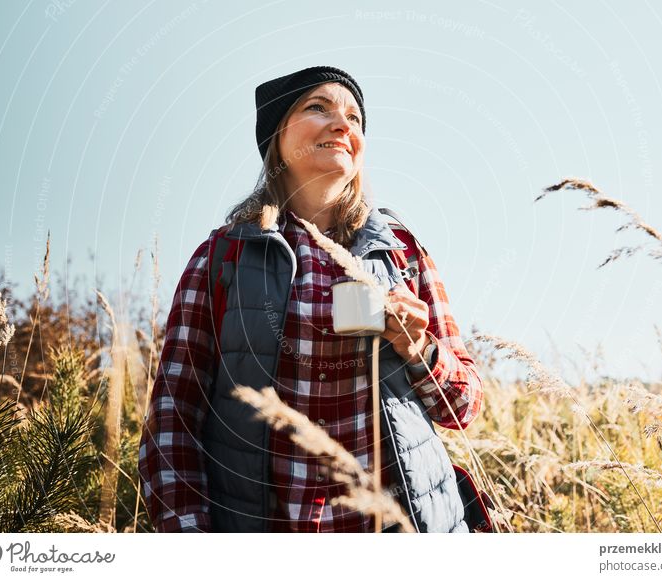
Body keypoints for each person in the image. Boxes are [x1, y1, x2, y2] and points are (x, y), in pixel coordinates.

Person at [138, 65, 484, 533]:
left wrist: (419, 349)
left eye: (355, 118)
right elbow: (172, 422)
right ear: (277, 138)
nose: (343, 124)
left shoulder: (402, 252)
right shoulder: (223, 257)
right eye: (318, 108)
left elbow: (462, 407)